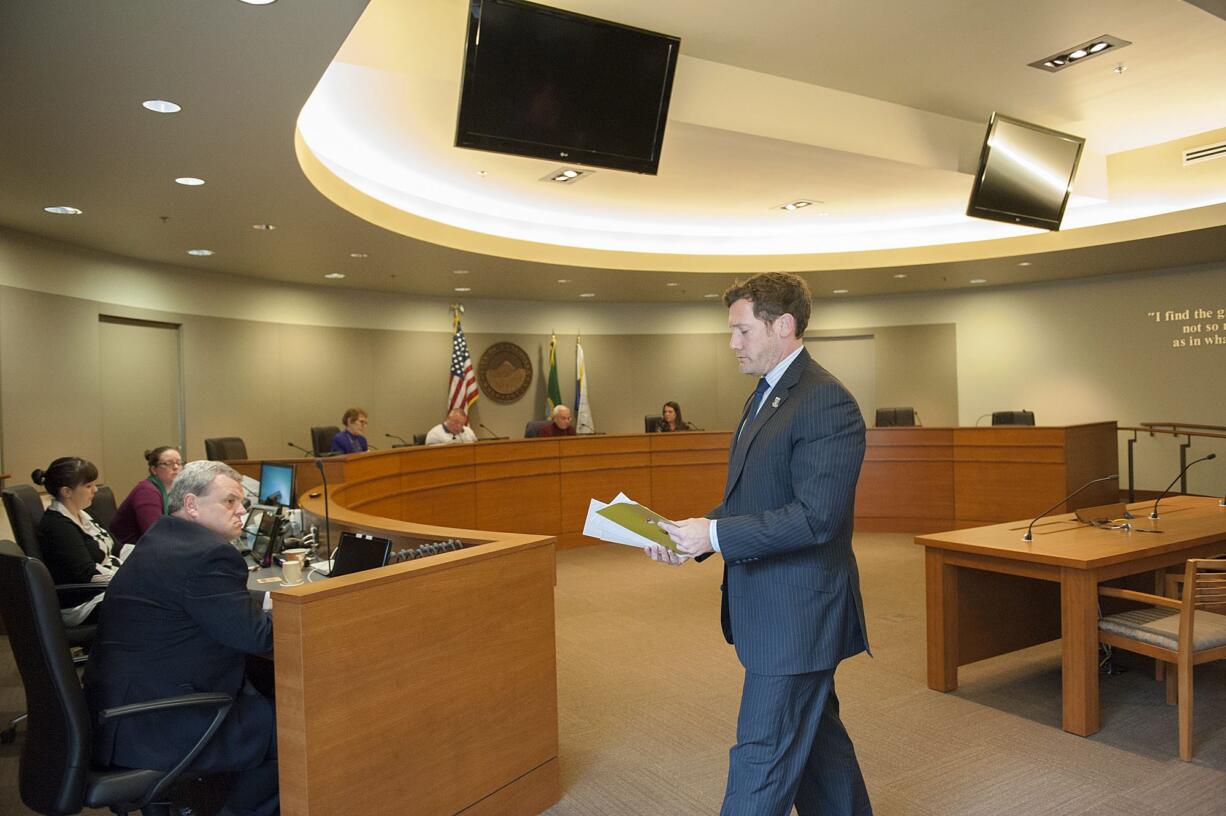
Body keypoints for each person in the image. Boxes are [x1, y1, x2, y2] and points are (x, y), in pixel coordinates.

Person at [647, 272, 871, 816]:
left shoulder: (825, 403)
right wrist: (693, 537)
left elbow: (817, 519)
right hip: (773, 606)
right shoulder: (766, 394)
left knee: (762, 758)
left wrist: (717, 535)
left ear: (784, 326)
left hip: (798, 613)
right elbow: (755, 497)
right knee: (819, 748)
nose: (732, 344)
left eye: (742, 330)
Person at [83, 460, 277, 816]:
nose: (242, 511)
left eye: (242, 503)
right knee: (296, 731)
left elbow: (194, 600)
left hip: (117, 715)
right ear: (191, 504)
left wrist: (262, 601)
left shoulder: (161, 538)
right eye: (229, 502)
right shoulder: (210, 555)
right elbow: (259, 638)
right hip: (161, 724)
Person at [32, 457, 120, 624]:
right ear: (67, 492)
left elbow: (116, 548)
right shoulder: (57, 525)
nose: (95, 490)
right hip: (84, 601)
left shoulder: (85, 513)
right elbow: (87, 573)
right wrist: (133, 577)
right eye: (88, 486)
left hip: (107, 586)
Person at [109, 446, 182, 545]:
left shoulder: (176, 489)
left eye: (179, 463)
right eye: (168, 463)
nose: (176, 467)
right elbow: (155, 533)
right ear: (153, 469)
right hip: (129, 550)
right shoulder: (147, 492)